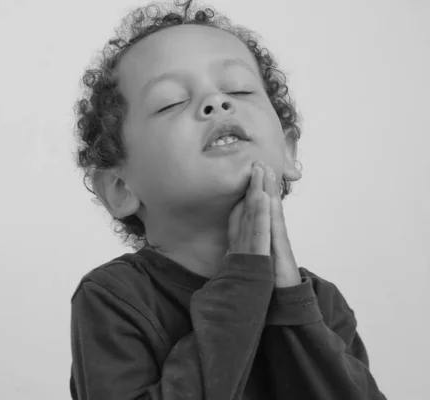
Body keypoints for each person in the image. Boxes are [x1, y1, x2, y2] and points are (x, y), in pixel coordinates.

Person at [70, 1, 386, 399]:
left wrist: (289, 297)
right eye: (170, 102)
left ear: (288, 151)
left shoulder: (323, 305)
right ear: (119, 187)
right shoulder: (114, 298)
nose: (217, 102)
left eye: (238, 89)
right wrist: (243, 282)